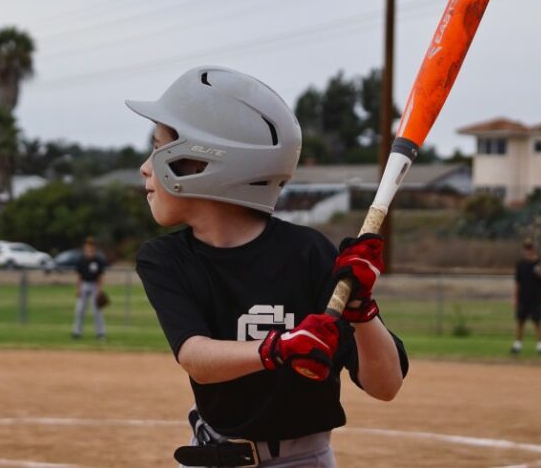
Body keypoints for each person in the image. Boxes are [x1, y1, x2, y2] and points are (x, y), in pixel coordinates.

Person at [129, 66, 407, 467]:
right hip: (213, 455)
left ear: (201, 161)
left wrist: (362, 310)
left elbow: (386, 385)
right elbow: (197, 359)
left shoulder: (309, 254)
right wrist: (279, 348)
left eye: (158, 148)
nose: (145, 166)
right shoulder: (166, 259)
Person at [511, 238, 541, 356]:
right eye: (527, 248)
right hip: (523, 297)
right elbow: (517, 282)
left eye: (531, 248)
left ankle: (540, 346)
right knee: (520, 322)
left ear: (534, 249)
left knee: (537, 322)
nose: (529, 250)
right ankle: (517, 345)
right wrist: (515, 298)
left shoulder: (540, 263)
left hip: (536, 298)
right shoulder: (520, 264)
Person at [71, 236, 107, 340]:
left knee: (97, 311)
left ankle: (100, 333)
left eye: (91, 244)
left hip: (94, 285)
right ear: (85, 246)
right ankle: (77, 332)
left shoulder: (98, 260)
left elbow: (101, 276)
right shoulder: (81, 260)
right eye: (88, 244)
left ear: (94, 246)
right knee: (79, 310)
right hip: (84, 284)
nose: (89, 246)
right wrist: (78, 288)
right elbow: (79, 276)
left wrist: (100, 289)